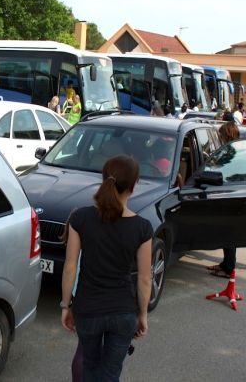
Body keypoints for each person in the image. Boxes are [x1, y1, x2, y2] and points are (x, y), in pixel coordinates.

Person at [61, 155, 152, 382]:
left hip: (87, 310)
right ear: (134, 185)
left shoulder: (80, 218)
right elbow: (144, 279)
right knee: (111, 373)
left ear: (104, 180)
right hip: (123, 312)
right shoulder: (142, 227)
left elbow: (70, 267)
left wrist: (66, 306)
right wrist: (142, 314)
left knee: (89, 367)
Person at [207, 122, 241, 278]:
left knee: (230, 235)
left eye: (221, 135)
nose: (219, 137)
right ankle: (225, 263)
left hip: (231, 196)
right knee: (226, 234)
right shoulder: (232, 149)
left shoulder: (231, 151)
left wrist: (213, 164)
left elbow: (226, 171)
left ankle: (229, 268)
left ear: (227, 135)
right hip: (229, 194)